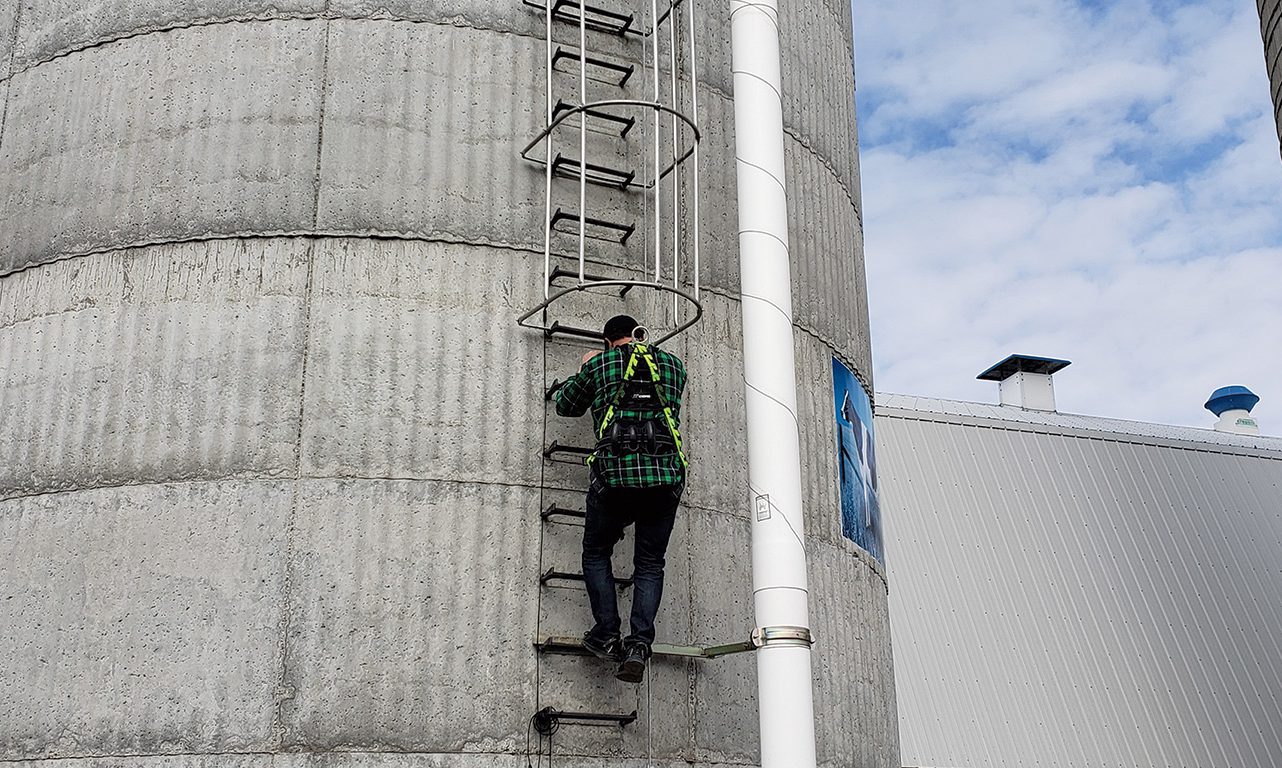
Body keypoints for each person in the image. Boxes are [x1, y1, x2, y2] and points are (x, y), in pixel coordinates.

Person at [553, 314, 688, 684]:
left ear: (609, 339)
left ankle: (606, 633)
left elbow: (566, 405)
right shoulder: (673, 366)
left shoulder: (601, 363)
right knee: (649, 563)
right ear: (637, 334)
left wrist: (584, 367)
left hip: (614, 478)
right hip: (664, 479)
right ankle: (638, 646)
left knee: (597, 553)